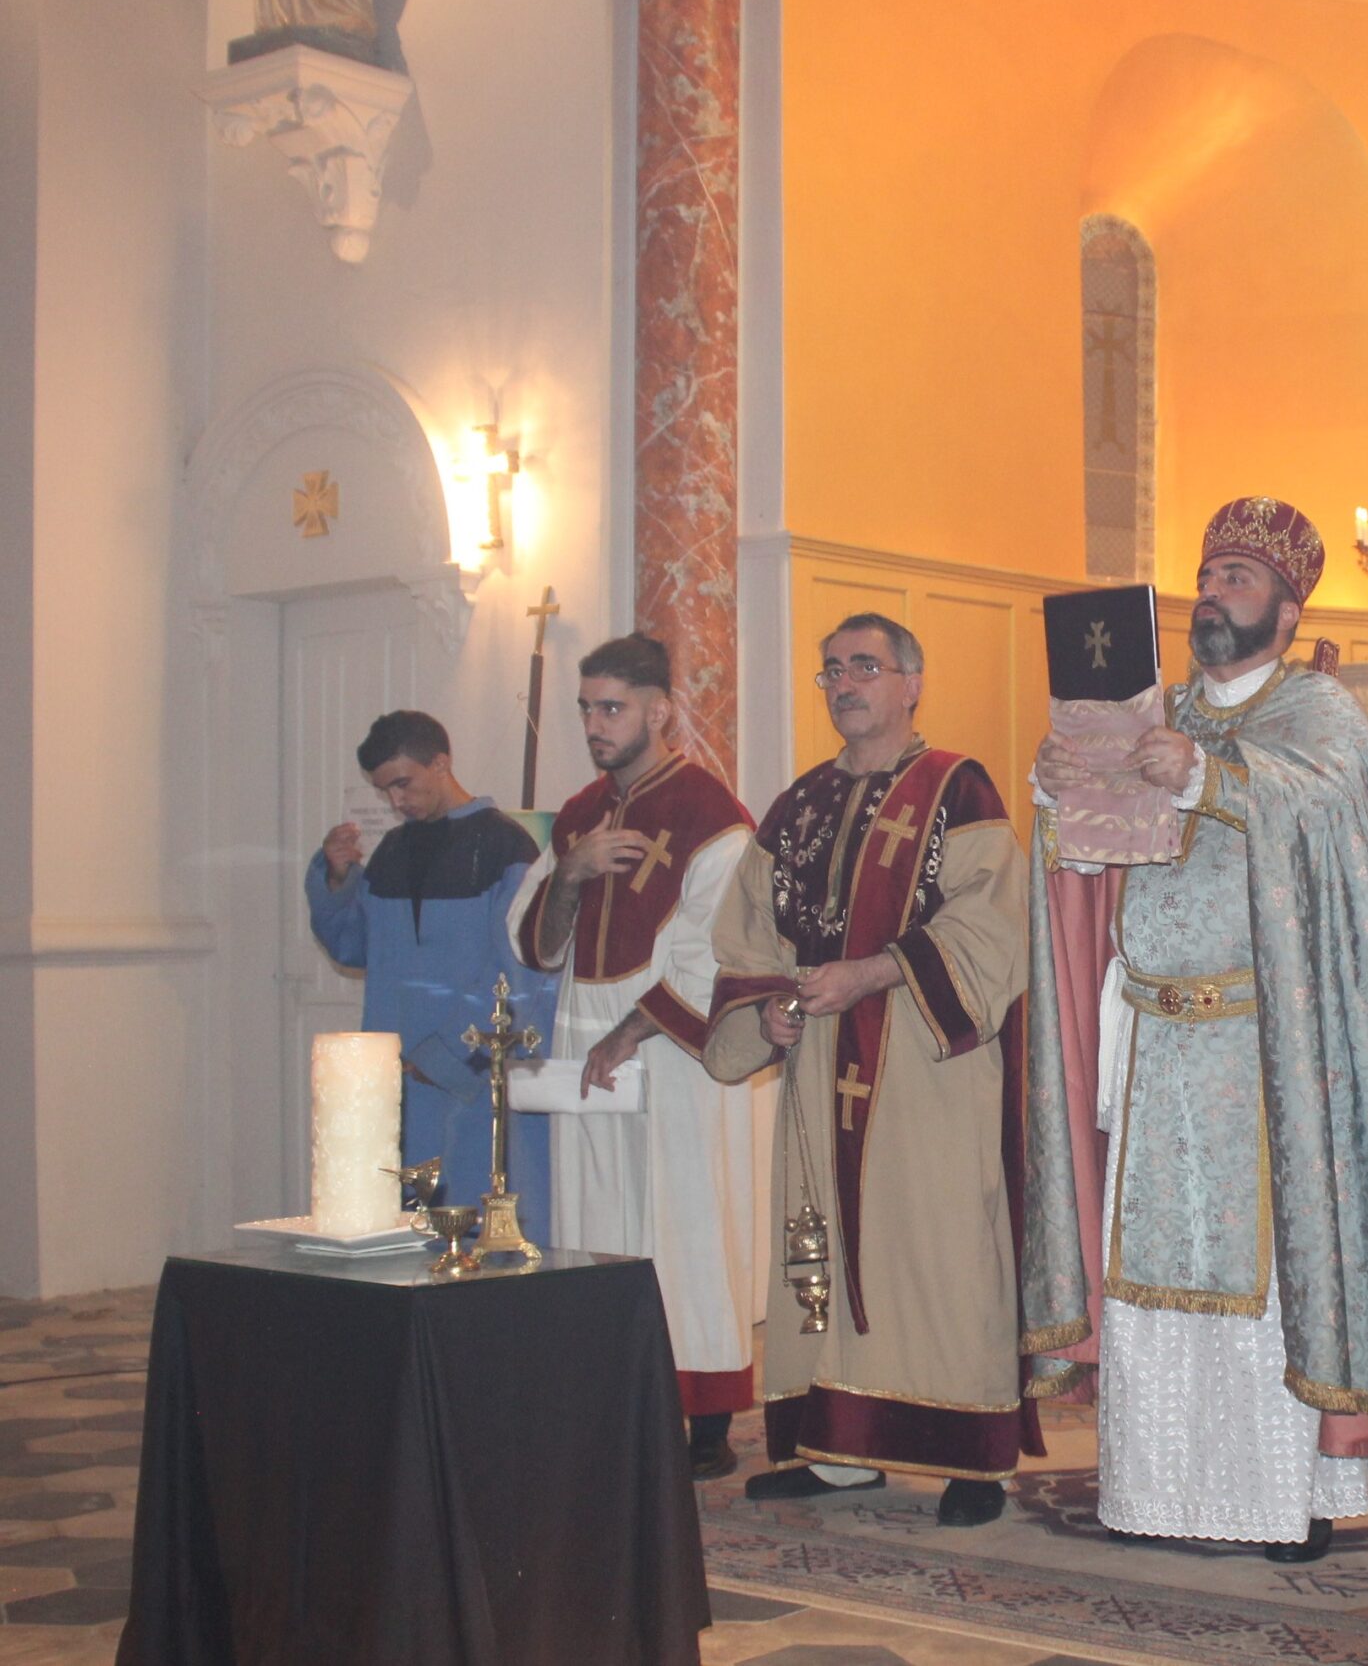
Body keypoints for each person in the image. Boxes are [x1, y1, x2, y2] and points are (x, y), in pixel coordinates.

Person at [1020, 497, 1368, 1563]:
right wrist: (1062, 799)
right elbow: (1098, 858)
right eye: (1208, 575)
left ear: (1288, 611)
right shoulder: (1159, 711)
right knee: (1150, 1270)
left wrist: (1204, 778)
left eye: (1238, 580)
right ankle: (1155, 1487)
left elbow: (1325, 815)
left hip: (1271, 1050)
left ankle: (1287, 1497)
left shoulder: (1319, 711)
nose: (1214, 596)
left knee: (1275, 1279)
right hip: (1156, 1042)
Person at [704, 614, 1034, 1528]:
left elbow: (991, 925)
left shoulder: (957, 789)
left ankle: (975, 1452)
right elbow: (747, 939)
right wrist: (766, 1010)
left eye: (865, 666)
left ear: (911, 682)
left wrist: (871, 973)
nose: (845, 682)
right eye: (830, 670)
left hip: (927, 1059)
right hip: (817, 1065)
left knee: (942, 1246)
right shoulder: (795, 806)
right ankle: (839, 1448)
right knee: (823, 1247)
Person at [509, 634, 759, 1480]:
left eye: (611, 707)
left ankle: (706, 1417)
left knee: (683, 1218)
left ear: (658, 710)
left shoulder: (708, 814)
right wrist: (570, 874)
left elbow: (716, 948)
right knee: (597, 1216)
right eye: (585, 708)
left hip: (672, 1045)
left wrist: (629, 1032)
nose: (594, 724)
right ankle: (613, 1392)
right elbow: (540, 948)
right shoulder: (577, 814)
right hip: (586, 1030)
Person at [306, 710, 554, 1243]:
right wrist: (335, 876)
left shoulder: (506, 847)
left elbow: (523, 974)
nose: (395, 802)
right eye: (384, 791)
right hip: (399, 1081)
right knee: (406, 1234)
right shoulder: (393, 851)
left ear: (440, 763)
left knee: (478, 1235)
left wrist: (449, 1057)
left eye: (403, 784)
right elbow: (353, 946)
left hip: (472, 1085)